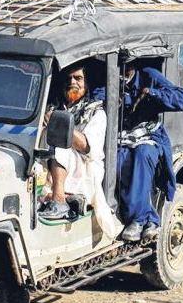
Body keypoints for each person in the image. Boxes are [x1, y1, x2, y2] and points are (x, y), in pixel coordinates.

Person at [39, 65, 121, 239]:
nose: (72, 82)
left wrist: (58, 121)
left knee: (60, 140)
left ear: (87, 83)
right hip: (51, 163)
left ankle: (59, 200)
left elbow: (86, 147)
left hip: (85, 167)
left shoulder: (96, 113)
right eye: (68, 79)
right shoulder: (53, 105)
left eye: (78, 78)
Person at [118, 64, 183, 242]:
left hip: (149, 135)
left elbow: (182, 99)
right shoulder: (108, 79)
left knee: (143, 155)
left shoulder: (149, 75)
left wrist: (152, 93)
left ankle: (138, 219)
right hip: (122, 137)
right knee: (118, 160)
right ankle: (149, 218)